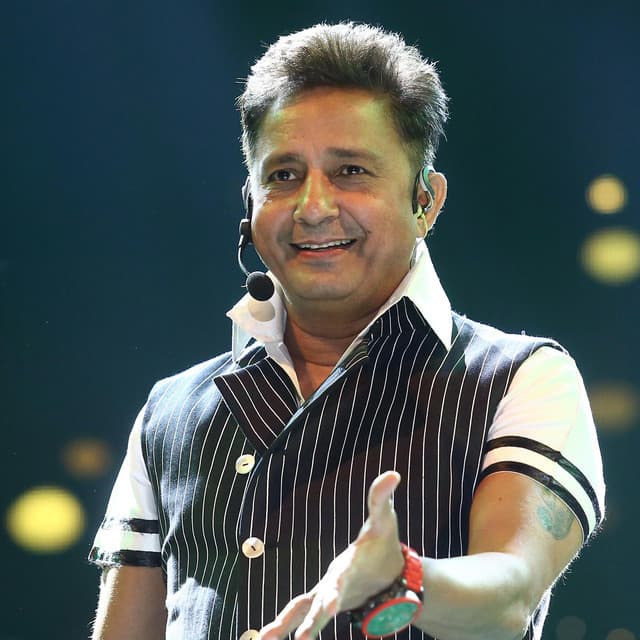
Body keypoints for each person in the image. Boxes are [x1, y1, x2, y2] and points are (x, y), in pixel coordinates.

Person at [89, 22, 605, 640]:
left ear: (426, 200)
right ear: (250, 203)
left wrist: (405, 579)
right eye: (283, 175)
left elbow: (512, 594)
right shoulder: (167, 411)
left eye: (351, 171)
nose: (313, 207)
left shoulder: (523, 378)